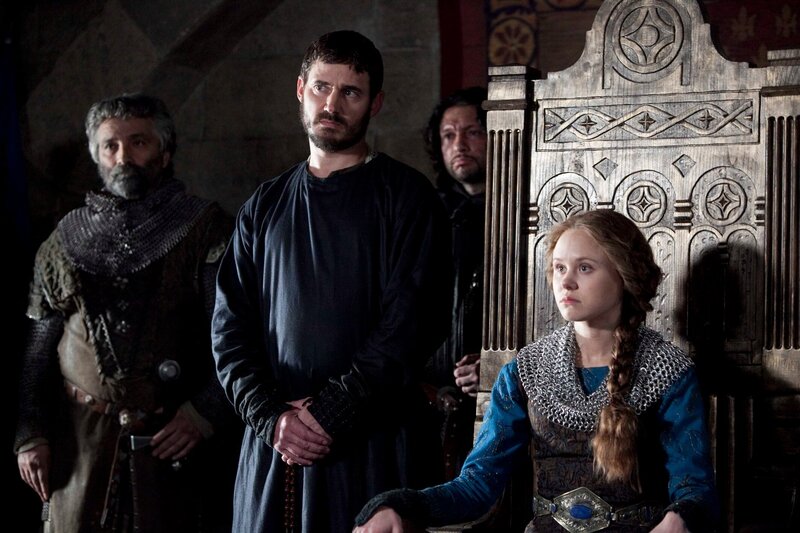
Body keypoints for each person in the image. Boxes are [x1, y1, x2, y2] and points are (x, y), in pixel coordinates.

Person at [211, 30, 452, 533]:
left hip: (372, 442)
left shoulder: (408, 197)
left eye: (351, 92)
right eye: (322, 87)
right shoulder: (264, 205)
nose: (332, 104)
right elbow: (229, 331)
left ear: (375, 103)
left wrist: (333, 411)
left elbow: (412, 323)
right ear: (301, 90)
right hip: (276, 444)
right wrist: (270, 417)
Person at [354, 209, 720, 532]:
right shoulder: (525, 371)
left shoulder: (666, 371)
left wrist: (681, 518)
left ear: (624, 274)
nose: (566, 281)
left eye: (584, 267)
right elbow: (477, 486)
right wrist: (397, 504)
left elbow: (695, 487)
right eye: (559, 268)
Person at [14, 93, 240, 533]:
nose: (123, 157)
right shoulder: (65, 239)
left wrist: (205, 412)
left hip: (173, 438)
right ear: (97, 155)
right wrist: (30, 434)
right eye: (110, 146)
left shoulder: (205, 229)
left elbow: (235, 339)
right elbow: (39, 349)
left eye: (138, 142)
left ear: (165, 150)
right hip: (81, 440)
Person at [422, 86, 487, 480]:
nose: (459, 145)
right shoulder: (424, 213)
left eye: (473, 132)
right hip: (429, 399)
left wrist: (496, 365)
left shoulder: (530, 208)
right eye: (448, 135)